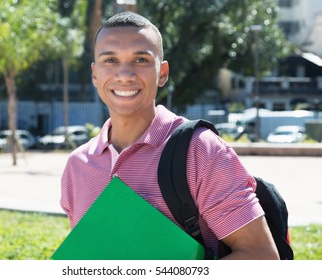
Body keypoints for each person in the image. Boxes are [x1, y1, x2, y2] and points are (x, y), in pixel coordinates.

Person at [60, 11, 279, 260]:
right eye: (110, 60)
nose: (125, 74)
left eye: (141, 60)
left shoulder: (201, 150)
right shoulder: (77, 166)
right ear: (94, 74)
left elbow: (262, 257)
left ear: (162, 73)